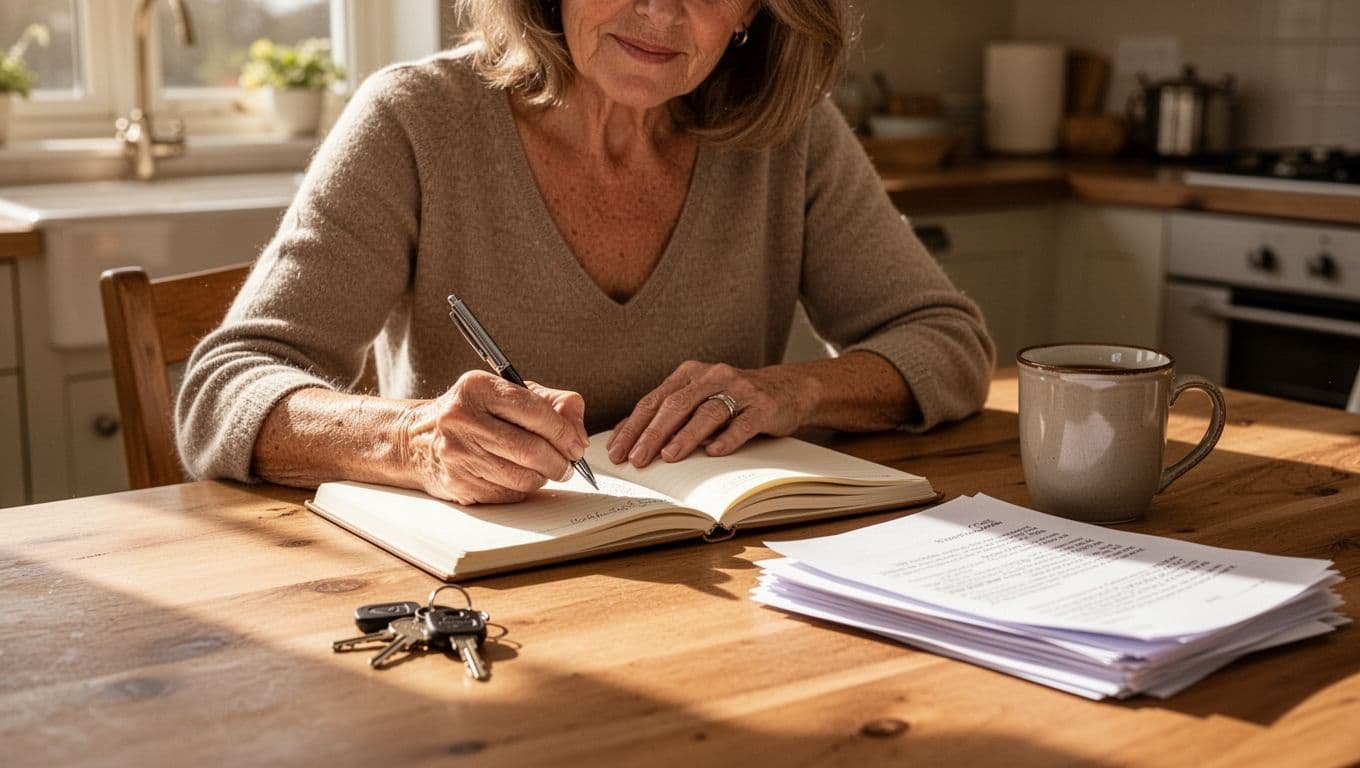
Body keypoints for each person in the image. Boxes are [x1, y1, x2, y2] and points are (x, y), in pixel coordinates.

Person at [177, 0, 995, 506]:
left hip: (732, 586)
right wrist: (411, 437)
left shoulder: (791, 135)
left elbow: (947, 344)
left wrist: (793, 391)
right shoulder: (414, 121)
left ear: (753, 10)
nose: (660, 11)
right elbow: (222, 391)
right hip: (473, 603)